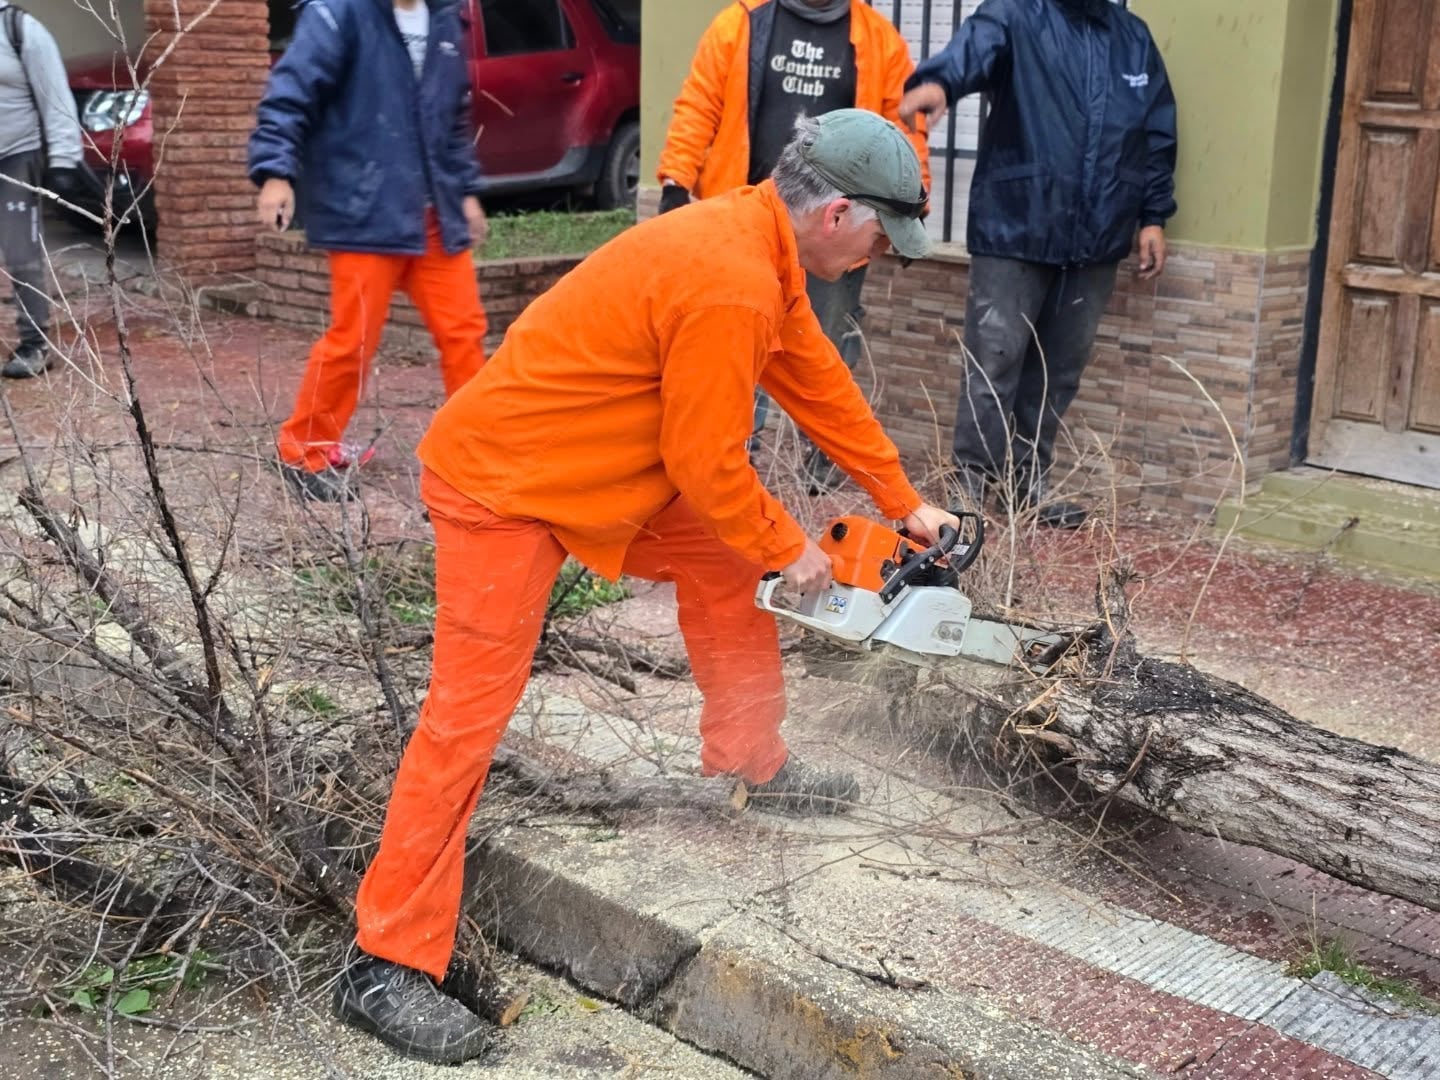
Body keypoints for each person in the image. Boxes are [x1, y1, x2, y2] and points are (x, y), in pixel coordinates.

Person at [332, 110, 951, 1064]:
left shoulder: (759, 243)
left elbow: (815, 378)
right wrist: (791, 546)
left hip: (588, 475)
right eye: (882, 234)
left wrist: (904, 503)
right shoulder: (733, 280)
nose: (884, 254)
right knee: (467, 718)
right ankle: (386, 963)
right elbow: (704, 462)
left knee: (723, 558)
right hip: (504, 489)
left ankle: (753, 760)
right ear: (836, 212)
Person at [900, 0, 1177, 528]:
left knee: (1059, 372)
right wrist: (940, 83)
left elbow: (1156, 137)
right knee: (994, 363)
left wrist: (1152, 217)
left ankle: (1026, 489)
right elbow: (973, 50)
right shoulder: (1015, 15)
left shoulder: (1133, 38)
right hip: (1016, 227)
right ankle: (970, 491)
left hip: (1098, 239)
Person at [657, 0, 929, 489]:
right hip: (747, 223)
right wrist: (677, 178)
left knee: (824, 344)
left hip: (834, 232)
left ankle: (823, 464)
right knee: (738, 342)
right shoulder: (743, 21)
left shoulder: (875, 37)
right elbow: (700, 102)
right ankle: (738, 453)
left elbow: (901, 127)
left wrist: (911, 207)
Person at [248, 0, 489, 502]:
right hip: (363, 210)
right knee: (352, 340)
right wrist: (275, 173)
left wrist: (464, 191)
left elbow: (453, 117)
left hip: (433, 215)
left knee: (464, 334)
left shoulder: (445, 19)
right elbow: (289, 95)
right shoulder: (338, 14)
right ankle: (304, 451)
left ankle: (478, 452)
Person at [0, 1, 83, 379]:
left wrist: (64, 161)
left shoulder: (19, 28)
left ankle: (35, 345)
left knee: (21, 252)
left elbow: (56, 97)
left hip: (17, 153)